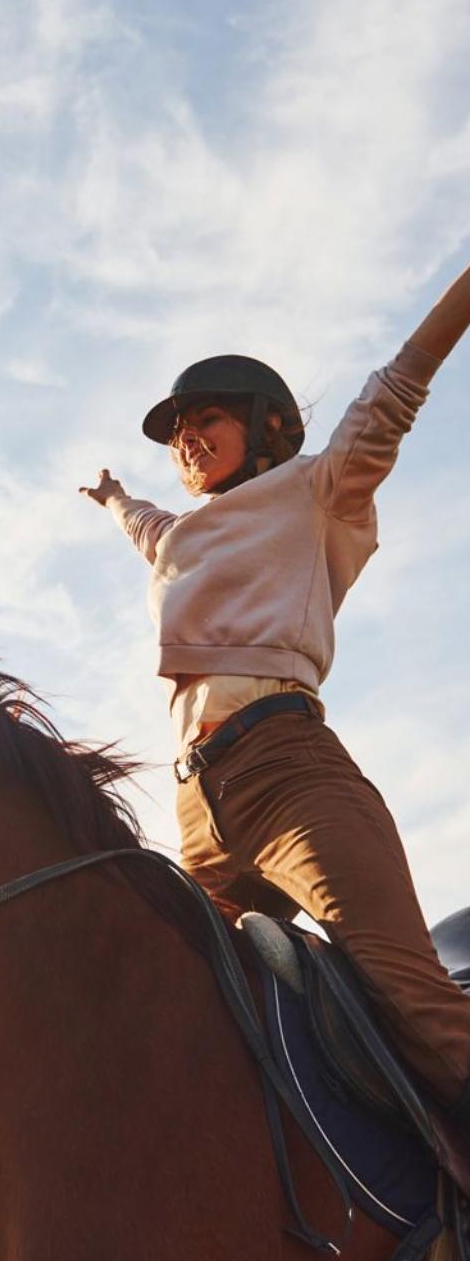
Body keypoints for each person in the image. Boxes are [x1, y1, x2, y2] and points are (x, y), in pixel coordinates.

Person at [80, 261, 470, 1129]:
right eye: (177, 429)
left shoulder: (318, 490)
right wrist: (111, 499)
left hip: (288, 773)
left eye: (205, 419)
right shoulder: (183, 536)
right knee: (187, 1018)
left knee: (410, 997)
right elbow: (150, 532)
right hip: (196, 807)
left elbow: (397, 389)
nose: (186, 437)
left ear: (269, 428)